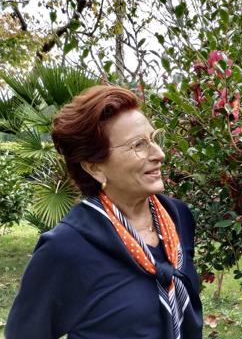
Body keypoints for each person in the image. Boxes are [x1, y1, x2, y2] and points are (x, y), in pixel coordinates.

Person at [6, 85, 203, 339]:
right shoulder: (66, 248)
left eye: (154, 139)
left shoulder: (178, 217)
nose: (159, 154)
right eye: (138, 145)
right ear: (94, 168)